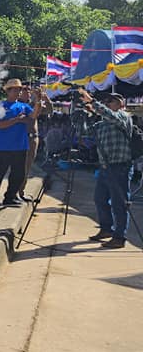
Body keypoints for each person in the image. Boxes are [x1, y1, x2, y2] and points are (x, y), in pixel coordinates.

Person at [79, 90, 133, 248]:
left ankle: (120, 236)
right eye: (106, 101)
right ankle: (106, 229)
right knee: (100, 199)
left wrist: (93, 102)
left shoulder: (123, 117)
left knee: (119, 203)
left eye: (111, 101)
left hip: (119, 166)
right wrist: (85, 114)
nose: (107, 103)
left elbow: (110, 115)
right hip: (105, 167)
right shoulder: (102, 123)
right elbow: (86, 132)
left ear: (121, 104)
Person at [0, 78, 43, 207]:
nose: (19, 92)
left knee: (18, 175)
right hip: (3, 147)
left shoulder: (24, 106)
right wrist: (16, 120)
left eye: (20, 89)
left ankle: (10, 197)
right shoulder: (0, 106)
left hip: (21, 146)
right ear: (8, 91)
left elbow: (34, 115)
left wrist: (38, 100)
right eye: (16, 90)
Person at [17, 84, 51, 200]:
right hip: (22, 138)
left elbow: (49, 110)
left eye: (29, 90)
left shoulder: (33, 104)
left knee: (27, 167)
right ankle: (16, 192)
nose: (28, 92)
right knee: (20, 167)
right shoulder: (18, 105)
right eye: (25, 89)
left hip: (33, 139)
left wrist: (44, 97)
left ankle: (21, 191)